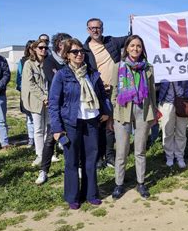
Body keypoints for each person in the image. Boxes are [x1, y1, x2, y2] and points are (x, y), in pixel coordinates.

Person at [49, 38, 111, 209]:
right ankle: (72, 197)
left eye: (81, 51)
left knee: (90, 159)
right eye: (74, 52)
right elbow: (54, 103)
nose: (79, 54)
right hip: (71, 123)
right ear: (67, 55)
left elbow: (102, 95)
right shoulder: (62, 75)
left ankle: (91, 193)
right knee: (72, 161)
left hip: (92, 121)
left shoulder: (92, 73)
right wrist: (56, 128)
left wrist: (106, 112)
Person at [109, 35, 157, 200]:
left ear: (142, 49)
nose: (135, 49)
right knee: (121, 151)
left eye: (138, 46)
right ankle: (119, 184)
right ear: (126, 48)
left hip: (143, 111)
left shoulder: (148, 68)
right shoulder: (118, 67)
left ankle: (141, 183)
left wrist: (154, 112)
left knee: (140, 150)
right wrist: (115, 109)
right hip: (123, 111)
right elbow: (114, 91)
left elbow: (151, 92)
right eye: (132, 46)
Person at [83, 18, 128, 169]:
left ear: (102, 28)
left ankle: (109, 156)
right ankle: (98, 156)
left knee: (110, 124)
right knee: (96, 124)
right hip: (95, 92)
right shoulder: (85, 49)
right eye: (92, 28)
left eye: (98, 27)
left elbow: (131, 37)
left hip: (114, 90)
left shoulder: (112, 42)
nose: (95, 30)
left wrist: (133, 22)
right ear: (88, 30)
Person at [37, 32, 72, 185]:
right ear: (59, 45)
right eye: (67, 44)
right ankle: (44, 170)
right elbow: (56, 80)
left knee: (72, 136)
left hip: (72, 104)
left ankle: (74, 166)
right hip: (56, 105)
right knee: (51, 138)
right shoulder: (49, 61)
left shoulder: (70, 59)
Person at [21, 39, 51, 167]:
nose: (43, 50)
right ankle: (40, 154)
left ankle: (48, 153)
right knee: (38, 128)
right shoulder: (29, 64)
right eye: (40, 47)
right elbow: (30, 84)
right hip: (36, 100)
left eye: (45, 47)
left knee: (48, 128)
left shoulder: (49, 63)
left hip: (49, 100)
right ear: (34, 49)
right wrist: (43, 97)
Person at [158, 80, 188, 168]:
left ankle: (180, 157)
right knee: (167, 132)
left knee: (181, 133)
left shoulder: (185, 68)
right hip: (166, 103)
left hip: (183, 102)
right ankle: (169, 157)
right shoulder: (163, 67)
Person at [16, 40, 35, 148]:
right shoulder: (22, 61)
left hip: (38, 95)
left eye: (34, 48)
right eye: (30, 48)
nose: (32, 50)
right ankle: (31, 139)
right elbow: (18, 78)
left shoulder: (43, 60)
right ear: (27, 49)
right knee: (29, 118)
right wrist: (23, 90)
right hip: (26, 94)